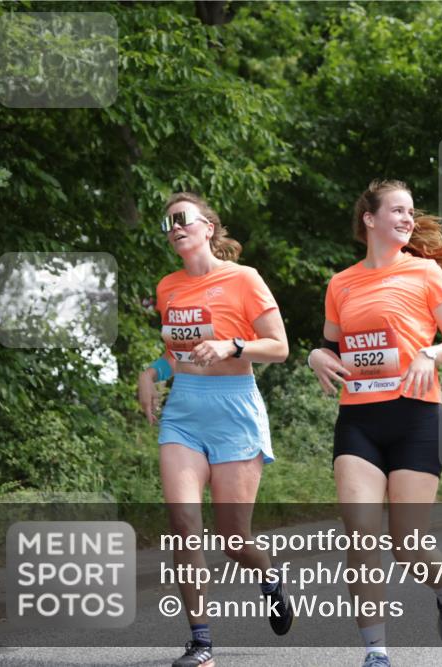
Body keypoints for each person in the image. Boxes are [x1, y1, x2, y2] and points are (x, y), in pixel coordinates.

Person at [307, 180, 442, 667]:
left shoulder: (425, 273)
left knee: (407, 542)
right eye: (397, 210)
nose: (407, 218)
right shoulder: (341, 283)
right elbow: (332, 350)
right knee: (359, 534)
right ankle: (376, 652)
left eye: (410, 211)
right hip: (359, 419)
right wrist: (317, 355)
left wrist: (430, 352)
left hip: (417, 416)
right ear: (369, 218)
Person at [137, 193, 291, 667]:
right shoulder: (167, 288)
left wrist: (231, 346)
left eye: (183, 219)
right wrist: (151, 374)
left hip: (234, 412)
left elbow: (279, 347)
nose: (174, 227)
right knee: (184, 526)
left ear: (208, 227)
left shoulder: (244, 280)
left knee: (233, 539)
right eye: (168, 223)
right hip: (184, 414)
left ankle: (268, 576)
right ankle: (201, 642)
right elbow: (175, 354)